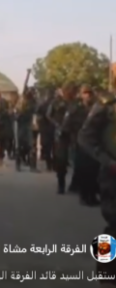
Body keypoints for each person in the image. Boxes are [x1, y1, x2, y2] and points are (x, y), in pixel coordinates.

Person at [78, 76, 116, 285]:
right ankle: (105, 271)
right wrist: (107, 161)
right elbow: (85, 137)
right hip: (112, 174)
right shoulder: (106, 106)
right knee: (114, 224)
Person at [14, 89, 37, 171]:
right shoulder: (19, 105)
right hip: (21, 127)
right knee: (20, 147)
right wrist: (21, 111)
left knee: (31, 147)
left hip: (27, 127)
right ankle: (18, 165)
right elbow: (16, 117)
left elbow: (35, 113)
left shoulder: (31, 104)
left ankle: (32, 166)